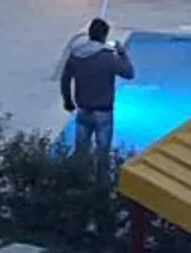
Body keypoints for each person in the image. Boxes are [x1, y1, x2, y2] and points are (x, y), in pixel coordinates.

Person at [56, 17, 135, 159]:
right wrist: (122, 53)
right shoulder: (108, 57)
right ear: (105, 35)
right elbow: (129, 73)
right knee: (102, 153)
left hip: (83, 109)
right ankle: (100, 173)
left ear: (90, 33)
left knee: (80, 153)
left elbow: (65, 80)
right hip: (103, 111)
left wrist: (68, 101)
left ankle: (79, 172)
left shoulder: (77, 55)